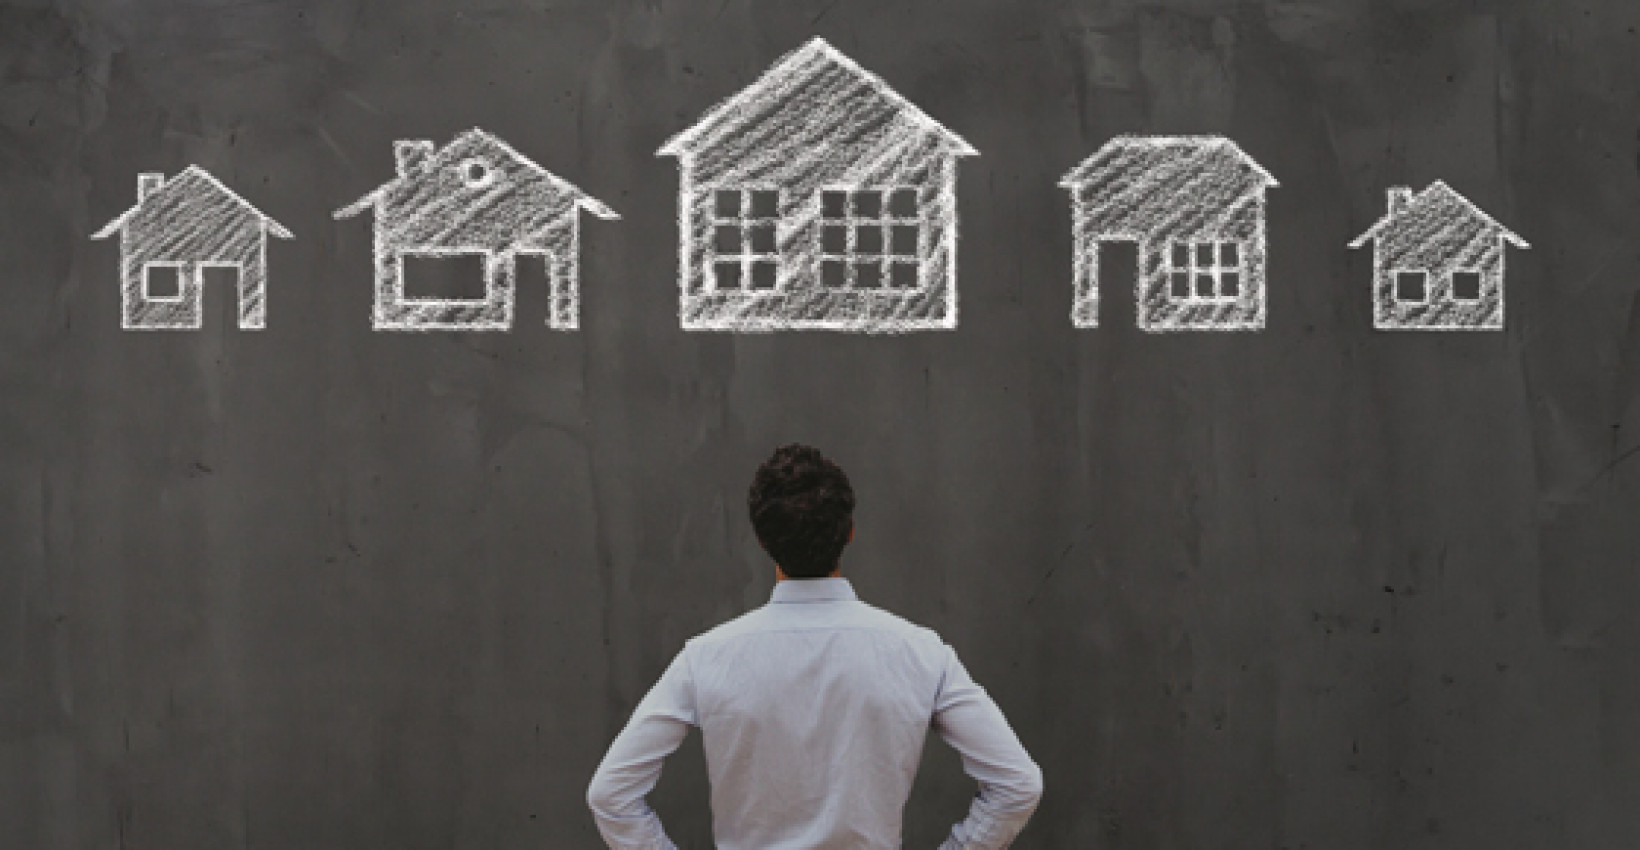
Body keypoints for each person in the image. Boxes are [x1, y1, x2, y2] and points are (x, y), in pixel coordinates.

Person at [586, 444, 1043, 849]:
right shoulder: (920, 652)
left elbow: (611, 795)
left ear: (762, 540)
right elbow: (1017, 785)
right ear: (849, 532)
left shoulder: (706, 658)